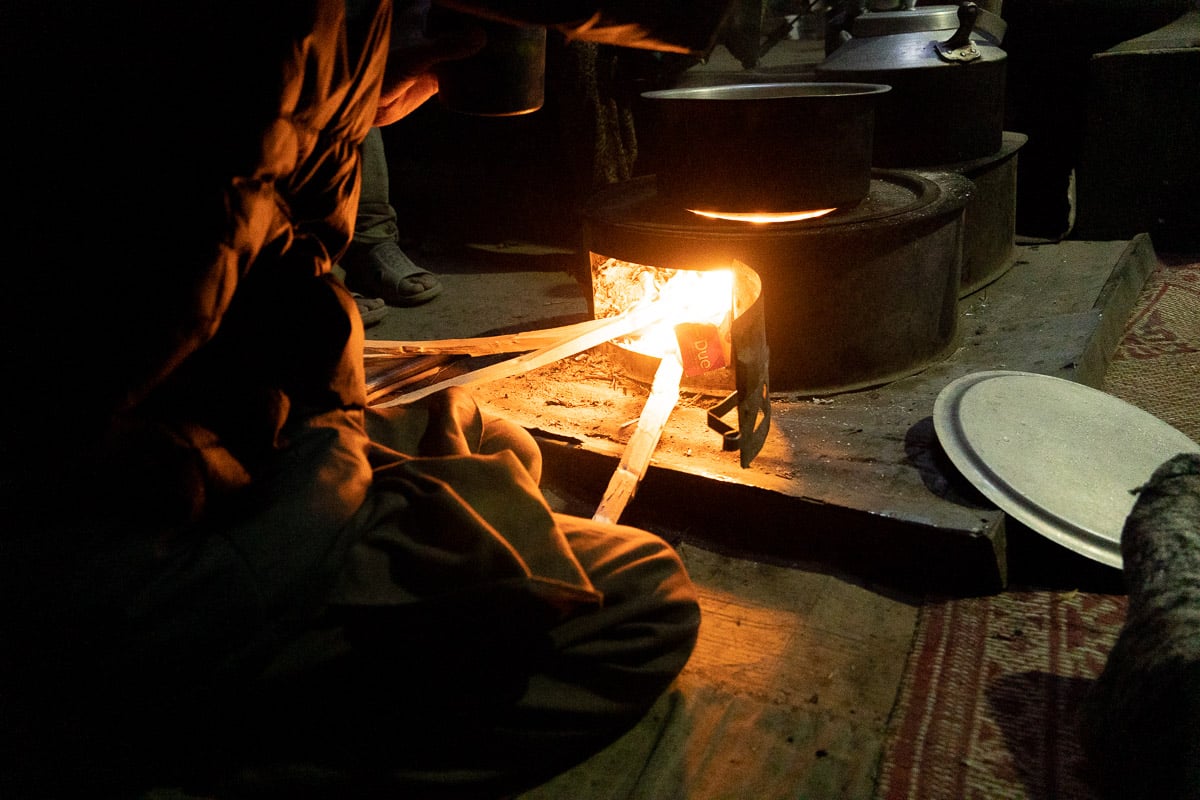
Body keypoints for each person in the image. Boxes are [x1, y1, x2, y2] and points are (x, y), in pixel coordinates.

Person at [1, 1, 730, 797]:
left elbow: (274, 287)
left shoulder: (322, 49)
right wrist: (332, 472)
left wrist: (354, 96)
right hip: (111, 532)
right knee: (639, 598)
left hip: (210, 427)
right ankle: (166, 756)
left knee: (492, 439)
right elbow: (102, 395)